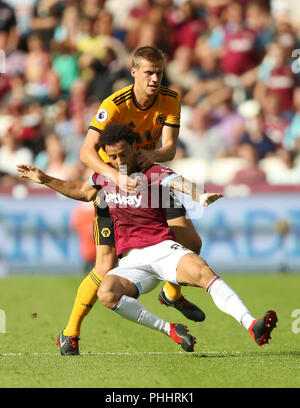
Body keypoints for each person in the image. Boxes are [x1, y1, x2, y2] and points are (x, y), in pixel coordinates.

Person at [18, 123, 278, 352]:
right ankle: (170, 329)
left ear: (134, 148)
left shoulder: (151, 172)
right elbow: (81, 190)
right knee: (106, 292)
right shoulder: (105, 175)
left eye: (123, 154)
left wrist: (200, 195)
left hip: (164, 250)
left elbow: (179, 182)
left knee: (202, 271)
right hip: (132, 262)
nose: (119, 161)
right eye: (113, 156)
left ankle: (251, 324)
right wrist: (45, 179)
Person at [55, 45, 205, 355]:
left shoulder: (171, 100)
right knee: (105, 265)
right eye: (148, 72)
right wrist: (115, 177)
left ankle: (171, 294)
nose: (154, 79)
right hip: (115, 186)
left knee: (192, 242)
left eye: (159, 73)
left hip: (149, 179)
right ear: (133, 72)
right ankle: (70, 333)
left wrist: (148, 157)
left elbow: (170, 148)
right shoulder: (114, 105)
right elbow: (86, 152)